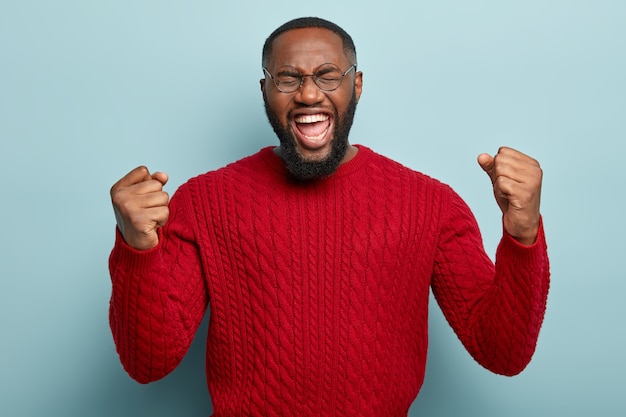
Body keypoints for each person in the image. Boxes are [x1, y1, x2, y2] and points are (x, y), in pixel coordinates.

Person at [108, 16, 549, 416]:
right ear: (265, 91)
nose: (308, 94)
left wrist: (523, 234)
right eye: (288, 78)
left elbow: (502, 353)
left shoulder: (431, 205)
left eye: (327, 76)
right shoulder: (204, 201)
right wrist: (137, 250)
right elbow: (149, 363)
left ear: (356, 86)